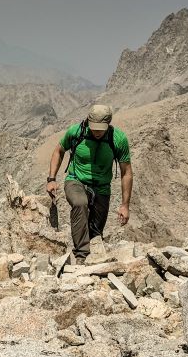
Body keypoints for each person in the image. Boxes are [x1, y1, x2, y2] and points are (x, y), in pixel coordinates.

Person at [46, 103, 132, 261]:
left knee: (96, 232)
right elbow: (59, 151)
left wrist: (125, 205)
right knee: (80, 203)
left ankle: (93, 259)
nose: (97, 132)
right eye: (94, 127)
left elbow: (126, 172)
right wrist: (51, 179)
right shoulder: (76, 132)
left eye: (101, 128)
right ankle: (81, 256)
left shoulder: (118, 139)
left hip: (102, 187)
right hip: (76, 180)